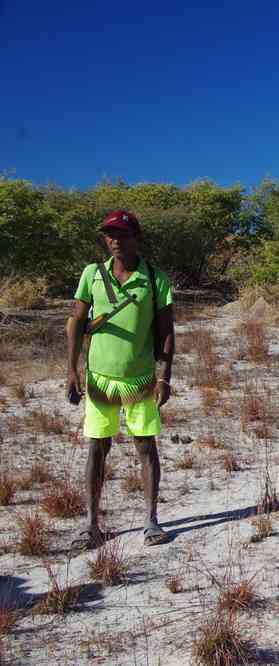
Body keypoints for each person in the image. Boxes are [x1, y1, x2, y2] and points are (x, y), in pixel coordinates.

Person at [66, 210, 175, 548]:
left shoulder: (155, 279)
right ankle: (90, 525)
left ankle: (151, 520)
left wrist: (164, 377)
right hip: (99, 379)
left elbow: (166, 331)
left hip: (140, 379)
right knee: (97, 447)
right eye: (109, 234)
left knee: (145, 445)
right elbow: (76, 321)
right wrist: (71, 370)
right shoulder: (92, 274)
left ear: (135, 237)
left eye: (121, 234)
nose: (114, 240)